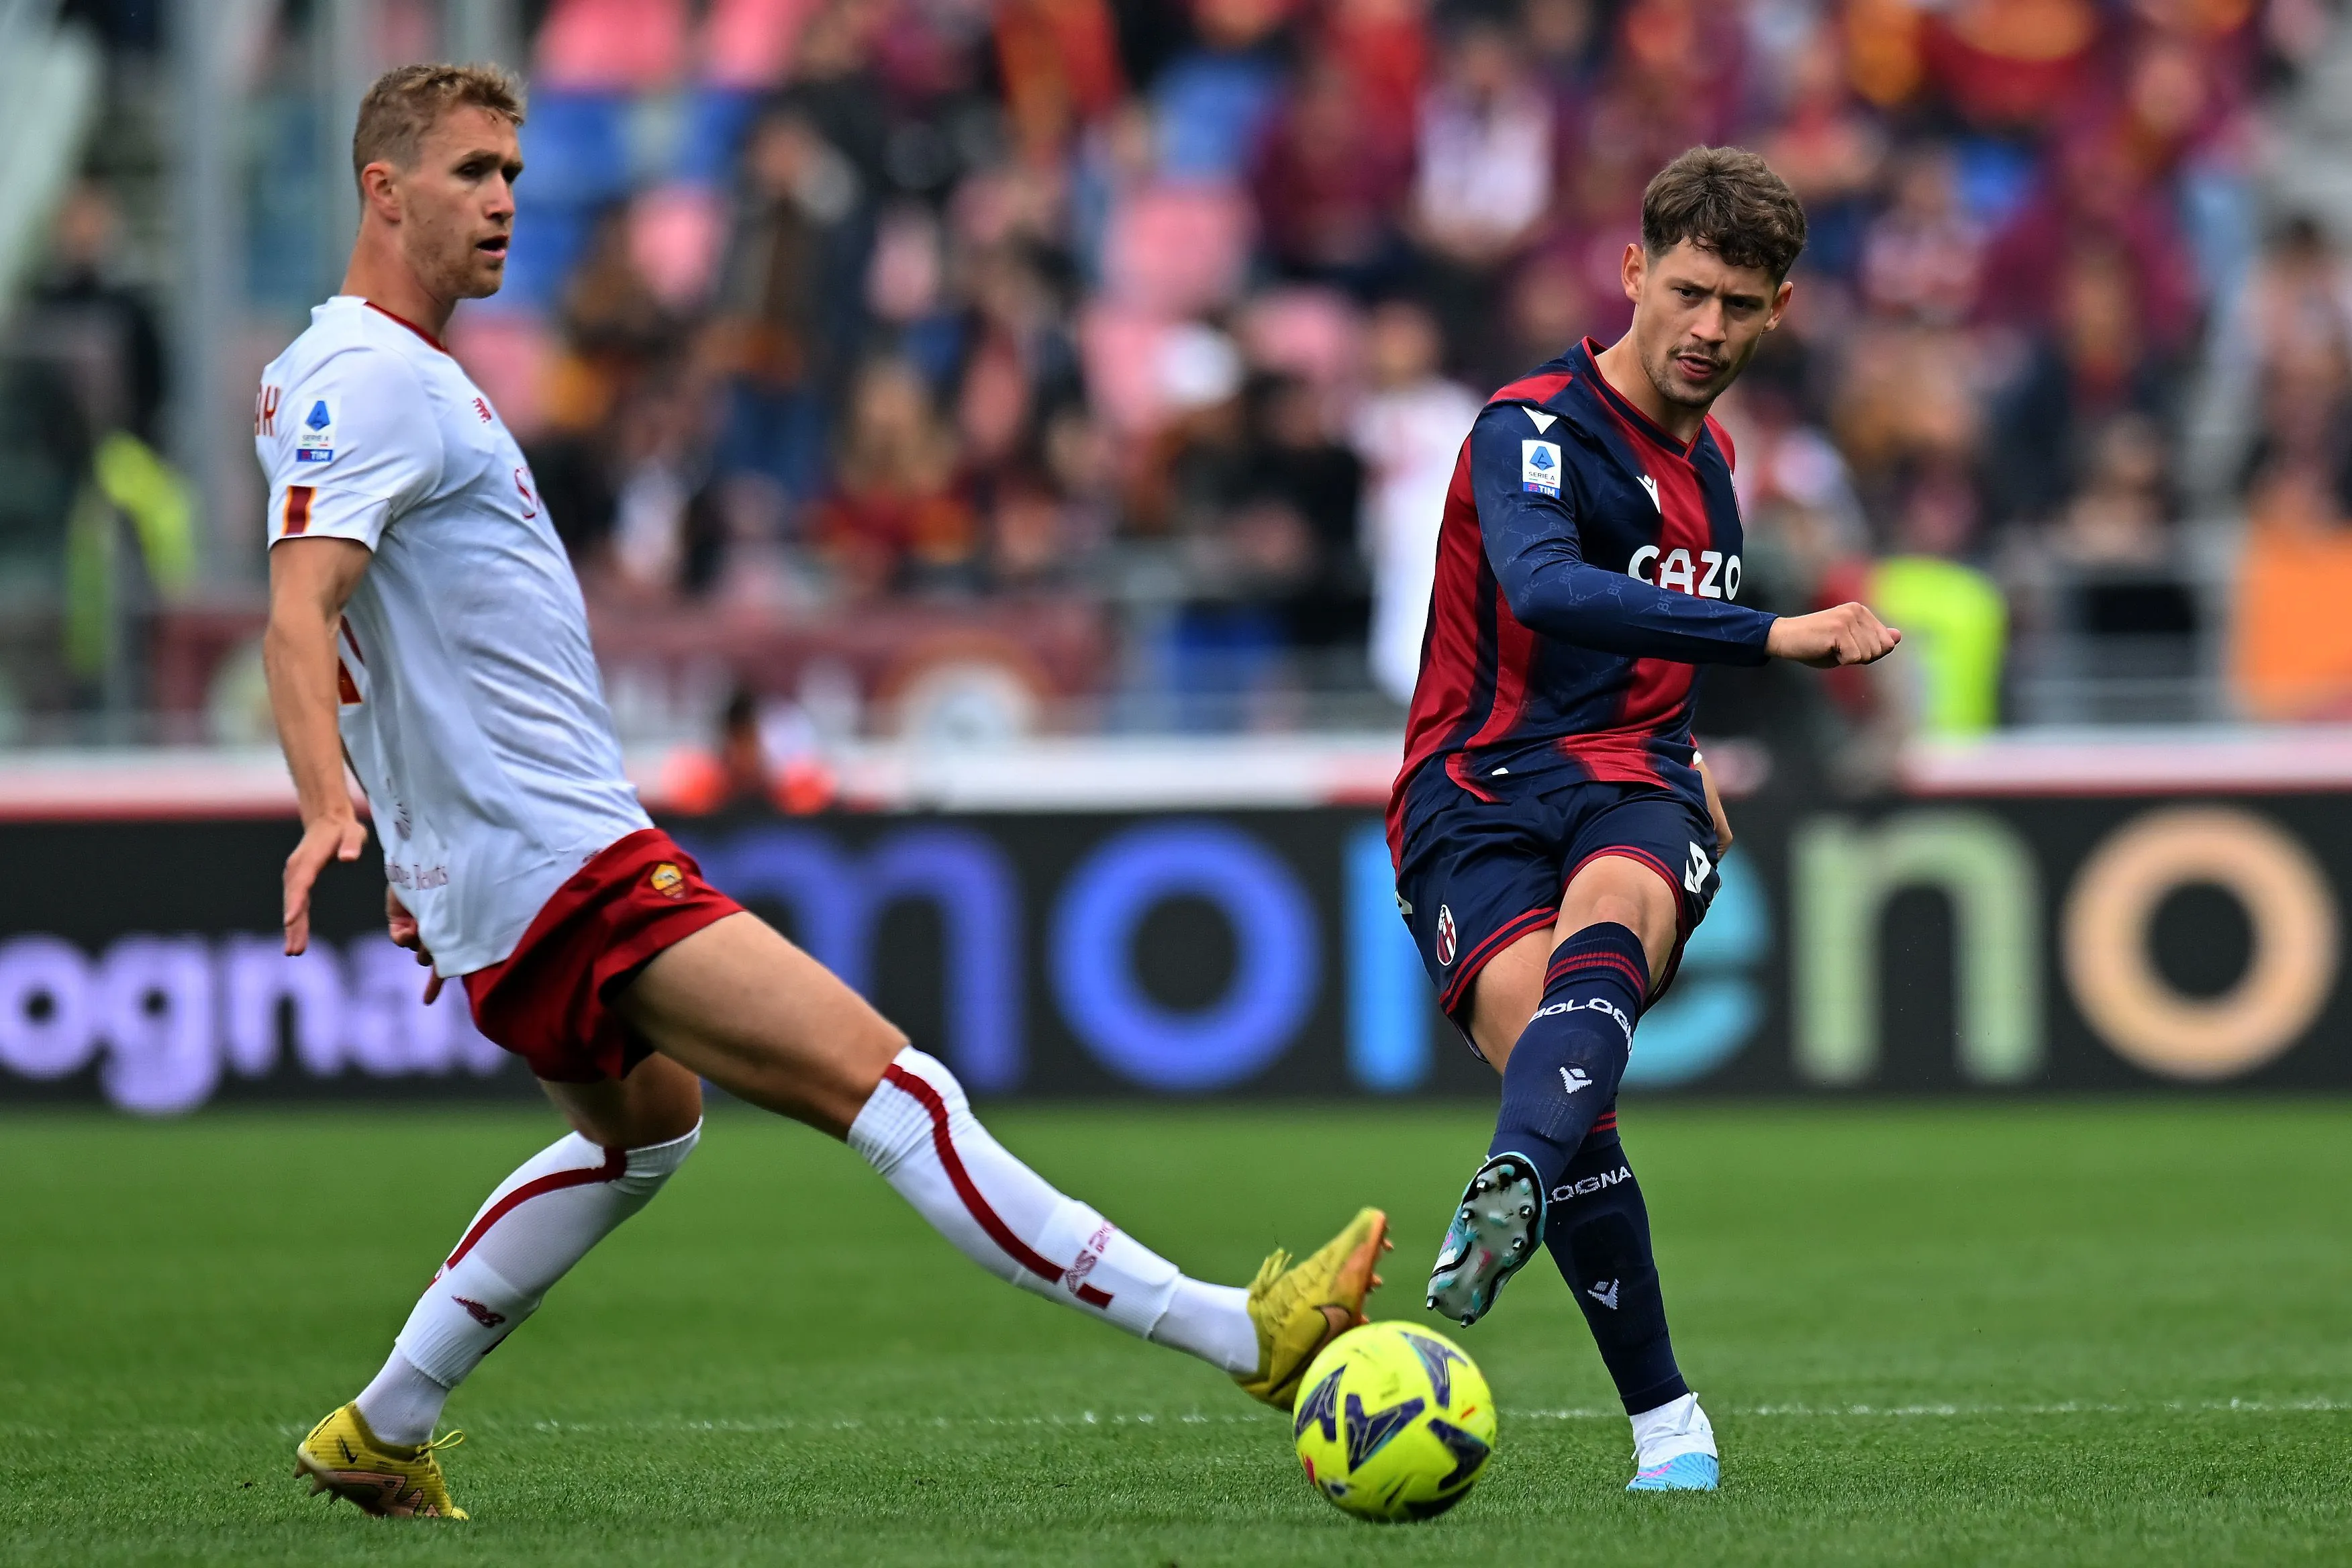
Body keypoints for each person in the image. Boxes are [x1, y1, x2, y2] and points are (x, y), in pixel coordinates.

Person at [260, 64, 1387, 1521]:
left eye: (516, 176)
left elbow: (380, 640)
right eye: (474, 171)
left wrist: (413, 847)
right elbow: (303, 614)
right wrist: (326, 805)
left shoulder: (347, 371)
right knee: (895, 1089)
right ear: (381, 187)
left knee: (646, 1129)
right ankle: (1245, 1334)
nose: (503, 204)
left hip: (501, 863)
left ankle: (382, 1425)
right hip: (559, 857)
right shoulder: (369, 380)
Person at [1388, 146, 1900, 1493]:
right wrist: (1776, 633)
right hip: (1474, 788)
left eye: (1739, 303)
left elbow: (1641, 654)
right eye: (1687, 291)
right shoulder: (1530, 429)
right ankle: (1662, 1414)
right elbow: (1550, 588)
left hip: (1628, 774)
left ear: (1779, 308)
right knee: (1565, 1083)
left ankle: (1519, 1202)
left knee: (1610, 925)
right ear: (1632, 274)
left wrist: (1681, 751)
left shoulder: (1715, 458)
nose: (1707, 327)